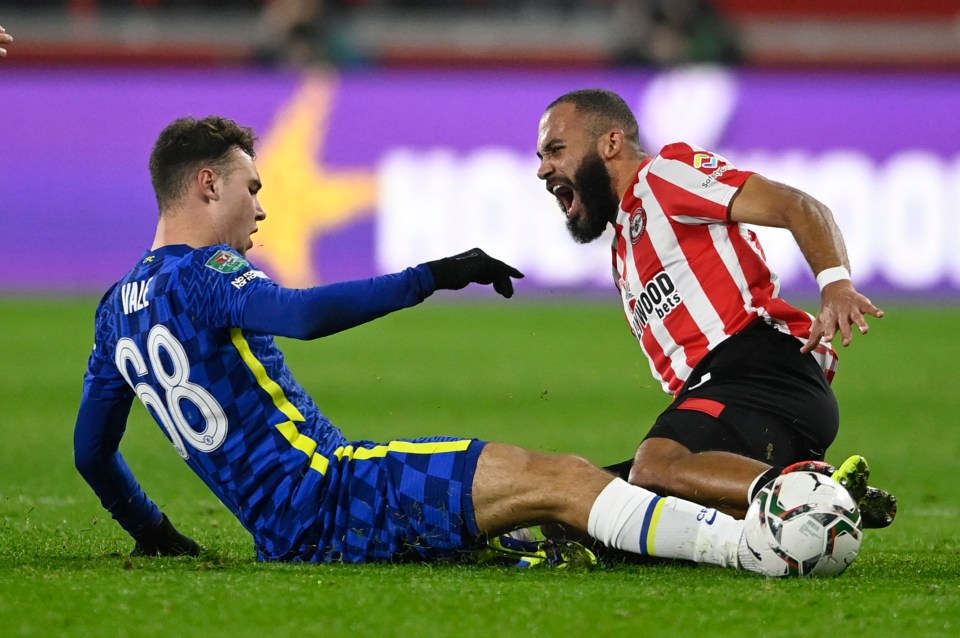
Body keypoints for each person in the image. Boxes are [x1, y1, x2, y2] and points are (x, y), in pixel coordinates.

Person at [74, 114, 774, 573]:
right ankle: (756, 546)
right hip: (338, 490)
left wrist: (156, 533)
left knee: (543, 531)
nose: (260, 207)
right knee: (564, 479)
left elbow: (92, 453)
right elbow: (301, 314)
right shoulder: (204, 275)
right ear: (206, 183)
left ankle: (747, 506)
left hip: (288, 532)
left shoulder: (115, 311)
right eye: (250, 188)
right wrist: (433, 275)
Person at [535, 88, 896, 528]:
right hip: (733, 411)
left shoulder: (665, 177)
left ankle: (812, 496)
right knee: (589, 512)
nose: (542, 169)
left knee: (654, 468)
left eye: (555, 149)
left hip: (760, 369)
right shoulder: (622, 252)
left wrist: (835, 284)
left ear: (610, 144)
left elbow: (798, 205)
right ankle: (815, 490)